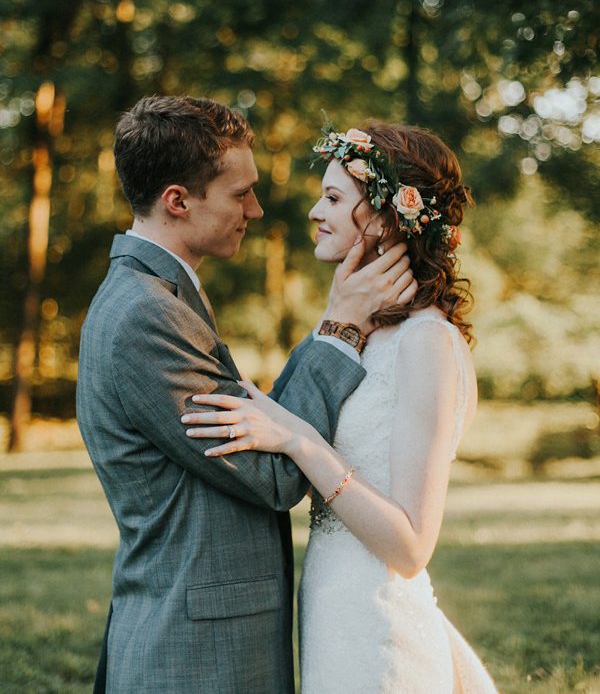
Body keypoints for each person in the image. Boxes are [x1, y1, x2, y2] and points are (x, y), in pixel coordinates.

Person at [76, 97, 417, 694]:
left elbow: (258, 417)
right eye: (240, 194)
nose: (256, 210)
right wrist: (338, 330)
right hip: (194, 657)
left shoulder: (162, 293)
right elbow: (271, 473)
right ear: (177, 201)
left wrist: (335, 325)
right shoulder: (145, 314)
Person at [182, 121, 498, 692]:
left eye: (332, 197)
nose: (313, 211)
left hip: (381, 629)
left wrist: (300, 440)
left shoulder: (426, 341)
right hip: (331, 615)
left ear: (382, 217)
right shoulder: (364, 332)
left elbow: (410, 547)